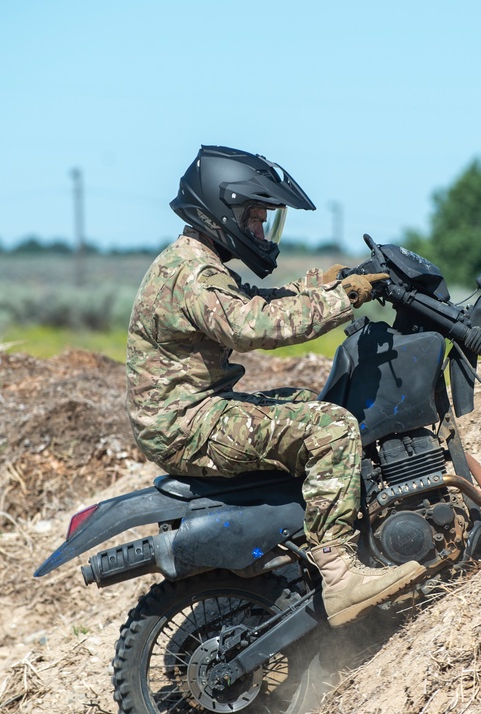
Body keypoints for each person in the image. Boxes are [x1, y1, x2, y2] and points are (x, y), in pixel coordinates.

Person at [125, 145, 425, 626]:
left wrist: (325, 283)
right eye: (255, 219)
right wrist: (342, 299)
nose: (262, 232)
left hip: (189, 415)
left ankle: (306, 551)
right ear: (223, 211)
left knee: (305, 405)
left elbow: (251, 299)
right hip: (187, 425)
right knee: (331, 429)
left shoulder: (194, 262)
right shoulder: (193, 272)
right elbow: (253, 325)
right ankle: (340, 575)